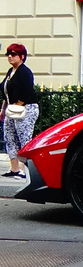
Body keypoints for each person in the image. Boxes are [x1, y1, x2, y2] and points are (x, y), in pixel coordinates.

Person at [0, 43, 39, 178]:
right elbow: (5, 91)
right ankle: (14, 168)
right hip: (12, 109)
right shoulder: (11, 72)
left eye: (14, 54)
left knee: (24, 138)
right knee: (9, 137)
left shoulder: (24, 71)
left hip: (25, 108)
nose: (10, 57)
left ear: (22, 56)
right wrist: (4, 108)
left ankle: (26, 170)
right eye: (8, 54)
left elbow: (27, 91)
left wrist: (17, 104)